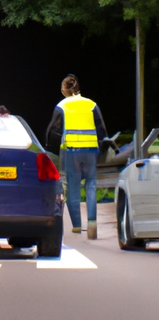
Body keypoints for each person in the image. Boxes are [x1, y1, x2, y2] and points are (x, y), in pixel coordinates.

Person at [45, 74, 108, 239]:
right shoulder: (91, 104)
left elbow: (52, 130)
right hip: (91, 151)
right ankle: (92, 223)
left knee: (73, 187)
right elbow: (101, 130)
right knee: (91, 185)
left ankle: (77, 226)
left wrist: (49, 149)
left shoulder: (62, 105)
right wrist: (101, 150)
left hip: (72, 151)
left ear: (64, 90)